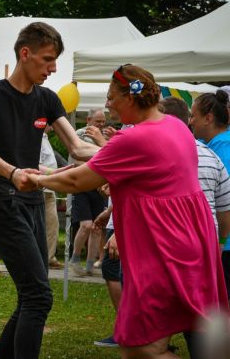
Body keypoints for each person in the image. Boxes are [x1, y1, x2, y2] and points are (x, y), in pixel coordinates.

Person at [22, 64, 228, 358]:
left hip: (163, 246)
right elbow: (103, 162)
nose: (107, 104)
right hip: (193, 240)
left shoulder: (133, 139)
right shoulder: (176, 127)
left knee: (139, 346)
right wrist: (48, 170)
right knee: (186, 334)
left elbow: (78, 179)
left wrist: (38, 180)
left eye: (111, 96)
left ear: (130, 98)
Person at [0, 22, 97, 358]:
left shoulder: (47, 99)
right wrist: (12, 173)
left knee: (31, 295)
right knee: (39, 296)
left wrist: (126, 152)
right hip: (4, 204)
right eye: (47, 59)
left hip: (34, 202)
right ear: (25, 54)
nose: (53, 68)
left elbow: (78, 148)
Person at [189, 91, 230, 300]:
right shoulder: (219, 145)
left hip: (224, 244)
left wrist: (222, 240)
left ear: (209, 118)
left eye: (193, 115)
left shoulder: (220, 150)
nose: (190, 121)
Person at [68, 108, 108, 276]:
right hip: (82, 185)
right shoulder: (79, 134)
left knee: (97, 227)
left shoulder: (104, 138)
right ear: (88, 120)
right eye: (98, 121)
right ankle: (75, 259)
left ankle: (90, 264)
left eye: (103, 122)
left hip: (98, 186)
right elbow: (77, 157)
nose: (101, 124)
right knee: (85, 225)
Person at [39, 126, 63, 269]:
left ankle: (49, 257)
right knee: (40, 224)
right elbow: (36, 164)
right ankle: (42, 258)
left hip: (50, 189)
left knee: (52, 224)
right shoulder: (34, 136)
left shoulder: (45, 138)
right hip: (39, 187)